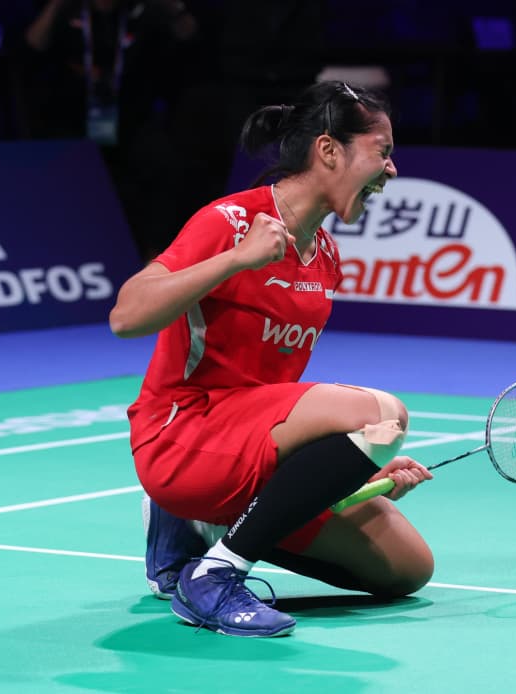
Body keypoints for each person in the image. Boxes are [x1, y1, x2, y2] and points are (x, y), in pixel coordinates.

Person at [108, 80, 435, 638]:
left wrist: (355, 467)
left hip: (248, 443)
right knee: (385, 413)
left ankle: (199, 536)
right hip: (182, 432)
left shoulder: (325, 257)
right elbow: (126, 316)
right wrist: (237, 259)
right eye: (381, 152)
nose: (391, 169)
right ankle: (215, 577)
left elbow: (275, 400)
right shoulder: (232, 222)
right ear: (328, 150)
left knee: (407, 568)